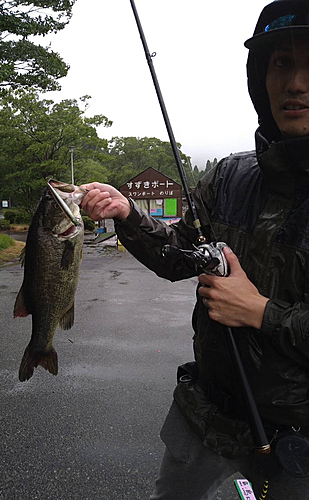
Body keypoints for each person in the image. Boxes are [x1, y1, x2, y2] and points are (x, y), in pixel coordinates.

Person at [81, 1, 309, 498]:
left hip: (298, 437)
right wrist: (128, 215)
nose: (296, 83)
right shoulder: (230, 176)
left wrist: (260, 312)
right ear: (260, 78)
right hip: (204, 415)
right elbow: (175, 257)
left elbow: (259, 312)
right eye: (281, 63)